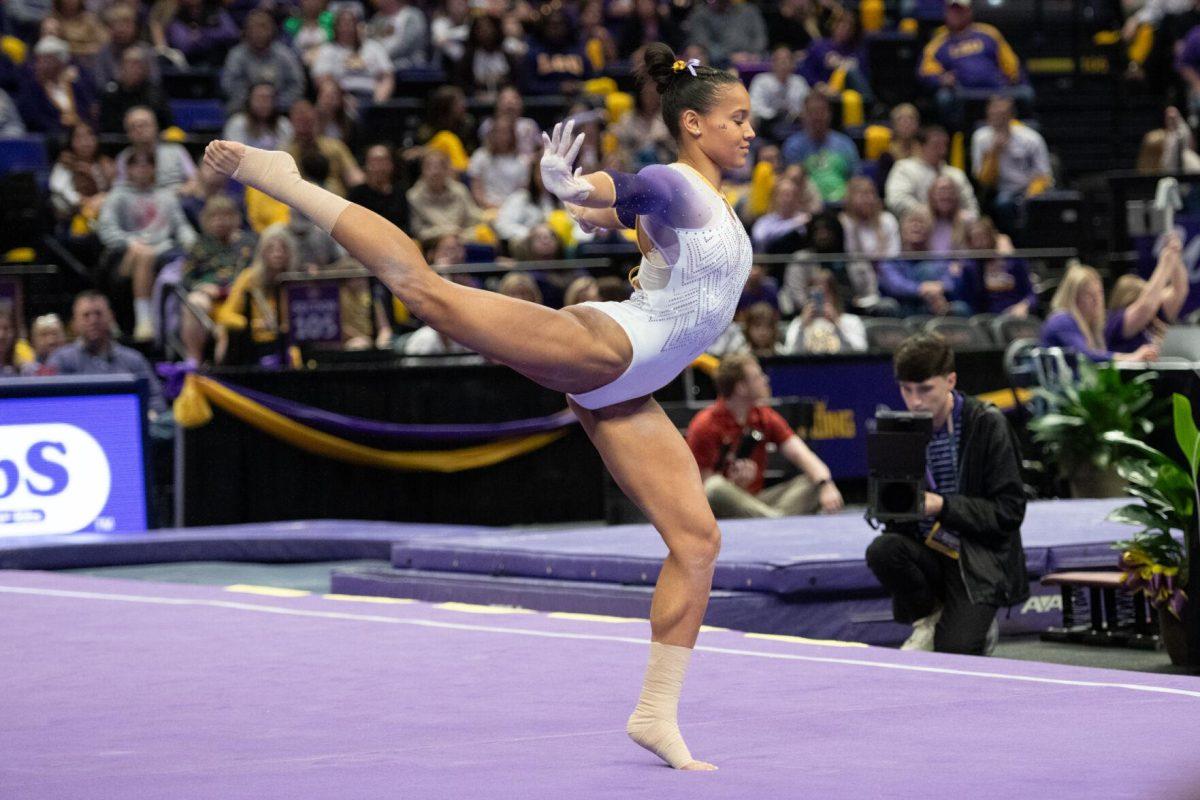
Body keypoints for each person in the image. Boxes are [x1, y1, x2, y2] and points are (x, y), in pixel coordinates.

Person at [203, 40, 757, 771]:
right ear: (695, 125)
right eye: (738, 118)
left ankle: (655, 713)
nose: (750, 131)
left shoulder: (705, 203)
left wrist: (598, 211)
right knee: (425, 292)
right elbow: (626, 190)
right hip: (606, 350)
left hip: (627, 389)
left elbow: (632, 219)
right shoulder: (676, 183)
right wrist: (578, 187)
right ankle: (289, 181)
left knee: (698, 543)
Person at [865, 333, 1029, 655]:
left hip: (978, 559)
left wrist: (943, 505)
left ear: (950, 380)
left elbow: (1009, 512)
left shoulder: (987, 424)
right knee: (883, 551)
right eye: (906, 390)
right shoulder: (900, 428)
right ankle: (931, 615)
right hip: (928, 550)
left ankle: (977, 625)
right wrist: (886, 504)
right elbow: (894, 522)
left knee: (955, 652)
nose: (914, 401)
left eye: (925, 389)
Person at [687, 352, 844, 518]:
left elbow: (802, 454)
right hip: (724, 505)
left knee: (814, 481)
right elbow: (701, 490)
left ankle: (772, 518)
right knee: (714, 487)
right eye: (757, 376)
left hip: (759, 501)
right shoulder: (705, 424)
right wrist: (735, 485)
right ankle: (775, 520)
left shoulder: (764, 416)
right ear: (741, 387)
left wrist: (826, 484)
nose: (765, 380)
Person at [45, 290, 167, 414]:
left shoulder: (133, 359)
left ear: (111, 317)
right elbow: (48, 403)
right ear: (74, 323)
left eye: (98, 314)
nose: (93, 320)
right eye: (86, 315)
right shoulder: (61, 360)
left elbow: (156, 400)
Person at [917, 0, 1029, 129]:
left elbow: (1011, 64)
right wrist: (941, 79)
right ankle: (955, 131)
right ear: (945, 13)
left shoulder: (988, 33)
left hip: (995, 89)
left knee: (1026, 92)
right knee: (944, 98)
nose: (955, 15)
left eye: (959, 11)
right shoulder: (938, 42)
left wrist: (1013, 77)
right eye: (951, 11)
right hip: (962, 92)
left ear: (969, 12)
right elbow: (925, 71)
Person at [1040, 263, 1160, 363]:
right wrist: (1130, 358)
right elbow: (1084, 357)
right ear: (1074, 297)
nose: (1097, 301)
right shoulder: (1062, 320)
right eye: (1089, 295)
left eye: (1099, 293)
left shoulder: (1092, 326)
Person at [970, 95, 1052, 232]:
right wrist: (994, 153)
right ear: (988, 114)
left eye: (1003, 114)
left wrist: (1030, 195)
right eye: (994, 113)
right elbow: (984, 181)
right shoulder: (981, 138)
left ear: (1011, 115)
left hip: (1028, 189)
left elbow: (1043, 174)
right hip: (999, 191)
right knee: (1003, 203)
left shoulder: (1031, 138)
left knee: (1034, 206)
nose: (998, 118)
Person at [1105, 233, 1190, 354]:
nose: (1153, 299)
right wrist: (1165, 263)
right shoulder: (1116, 322)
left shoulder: (1153, 318)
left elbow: (1179, 290)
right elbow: (1146, 306)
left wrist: (1175, 256)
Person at [220, 10, 305, 115]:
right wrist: (252, 102)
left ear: (272, 31)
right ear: (247, 31)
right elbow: (229, 83)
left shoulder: (284, 54)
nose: (259, 33)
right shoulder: (237, 55)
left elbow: (296, 84)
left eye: (263, 28)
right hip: (244, 109)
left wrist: (275, 103)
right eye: (254, 29)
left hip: (280, 109)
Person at [884, 125, 978, 220]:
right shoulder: (904, 168)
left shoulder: (956, 173)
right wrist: (928, 213)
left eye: (944, 145)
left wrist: (967, 218)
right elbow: (896, 200)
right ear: (921, 146)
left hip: (954, 227)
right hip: (917, 224)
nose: (942, 150)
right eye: (936, 145)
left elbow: (970, 204)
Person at [781, 92, 859, 202]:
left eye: (821, 111)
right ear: (804, 115)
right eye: (812, 112)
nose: (817, 117)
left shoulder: (845, 144)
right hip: (807, 206)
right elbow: (791, 183)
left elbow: (855, 179)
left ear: (829, 114)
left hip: (842, 205)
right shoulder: (793, 146)